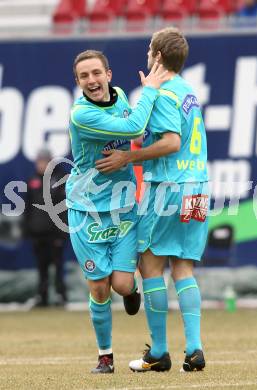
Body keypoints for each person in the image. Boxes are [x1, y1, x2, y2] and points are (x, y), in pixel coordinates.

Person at [96, 27, 209, 373]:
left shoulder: (162, 94)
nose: (147, 52)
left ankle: (159, 351)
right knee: (184, 267)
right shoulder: (188, 90)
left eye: (150, 48)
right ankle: (194, 348)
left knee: (150, 266)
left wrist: (129, 158)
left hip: (168, 188)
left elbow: (172, 142)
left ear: (157, 56)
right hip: (198, 186)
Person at [67, 50, 168, 374]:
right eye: (84, 76)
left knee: (122, 286)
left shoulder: (121, 96)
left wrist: (127, 152)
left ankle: (132, 290)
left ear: (108, 75)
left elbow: (135, 133)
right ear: (78, 82)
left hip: (123, 207)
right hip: (87, 210)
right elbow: (133, 126)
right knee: (98, 287)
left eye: (96, 73)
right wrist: (150, 88)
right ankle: (105, 356)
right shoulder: (81, 115)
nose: (92, 81)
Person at [24, 148, 68, 307]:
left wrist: (62, 233)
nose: (40, 164)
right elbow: (28, 207)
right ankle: (42, 296)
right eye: (39, 161)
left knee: (58, 265)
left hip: (55, 233)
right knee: (41, 267)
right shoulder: (32, 180)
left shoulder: (60, 178)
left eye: (43, 161)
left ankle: (60, 295)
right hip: (38, 232)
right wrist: (27, 230)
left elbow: (64, 208)